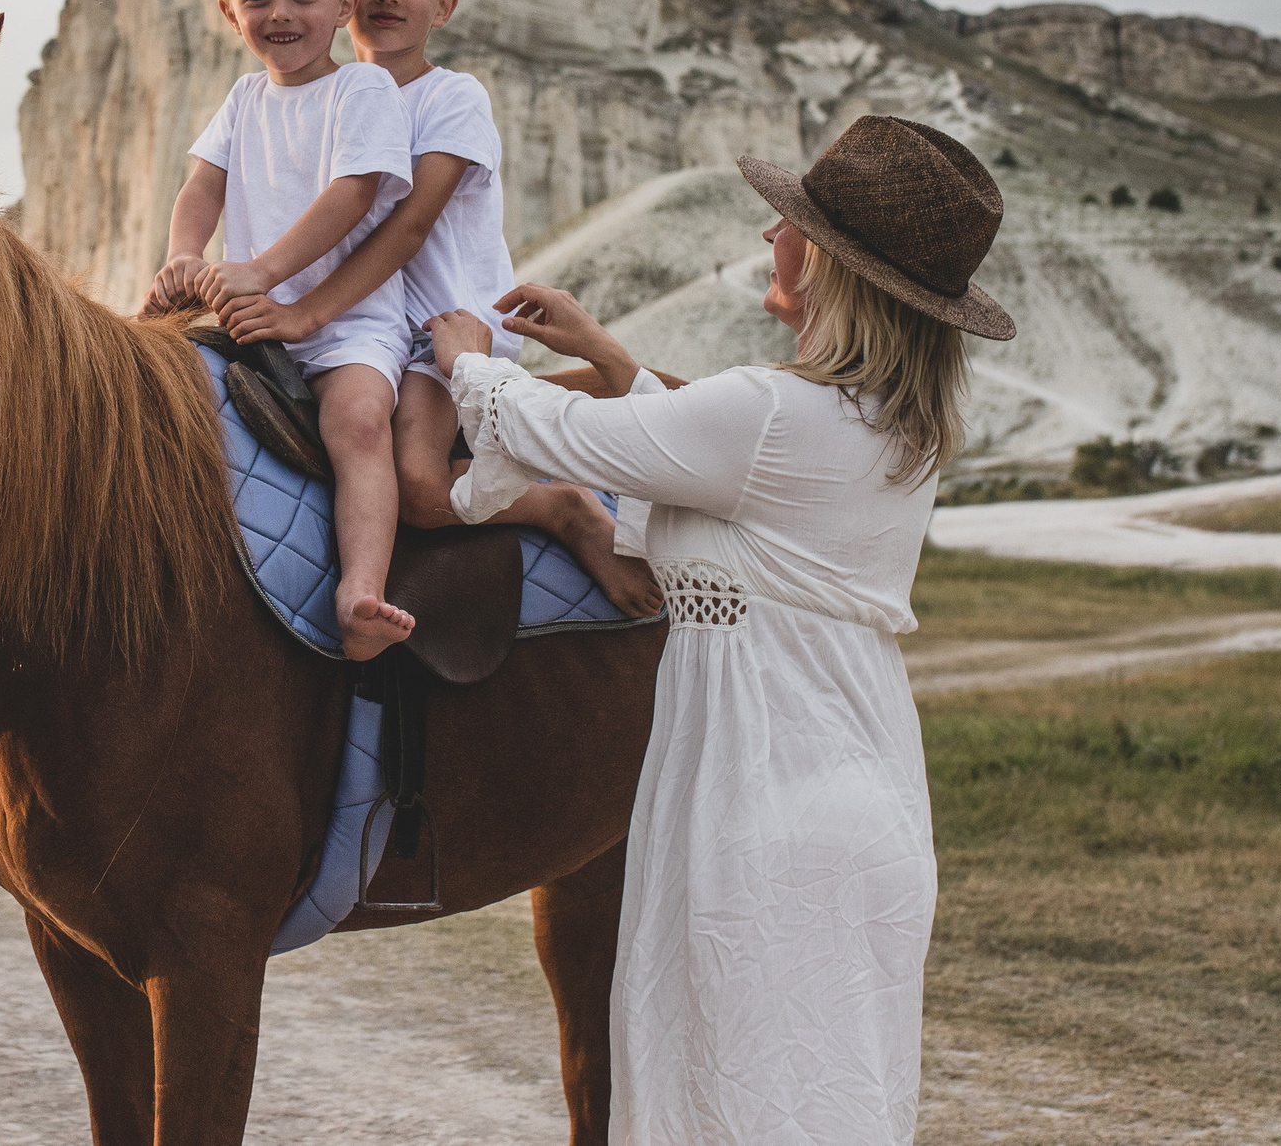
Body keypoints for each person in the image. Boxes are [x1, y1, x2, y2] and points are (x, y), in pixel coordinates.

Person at [426, 115, 1016, 1145]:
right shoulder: (892, 428)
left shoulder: (768, 413)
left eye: (786, 225)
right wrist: (614, 358)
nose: (767, 240)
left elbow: (544, 431)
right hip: (855, 795)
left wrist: (470, 358)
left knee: (719, 1099)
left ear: (828, 264)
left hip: (761, 805)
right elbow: (710, 458)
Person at [213, 0, 660, 616]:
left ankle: (561, 508)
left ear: (444, 4)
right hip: (351, 320)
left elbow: (406, 227)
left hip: (437, 331)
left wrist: (298, 314)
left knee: (420, 485)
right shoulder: (313, 98)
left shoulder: (451, 98)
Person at [143, 0, 417, 659]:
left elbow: (353, 192)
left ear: (344, 6)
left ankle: (361, 589)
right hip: (247, 318)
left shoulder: (360, 92)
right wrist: (183, 254)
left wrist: (262, 270)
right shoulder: (242, 100)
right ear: (230, 12)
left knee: (357, 423)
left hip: (348, 324)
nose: (281, 13)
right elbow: (202, 186)